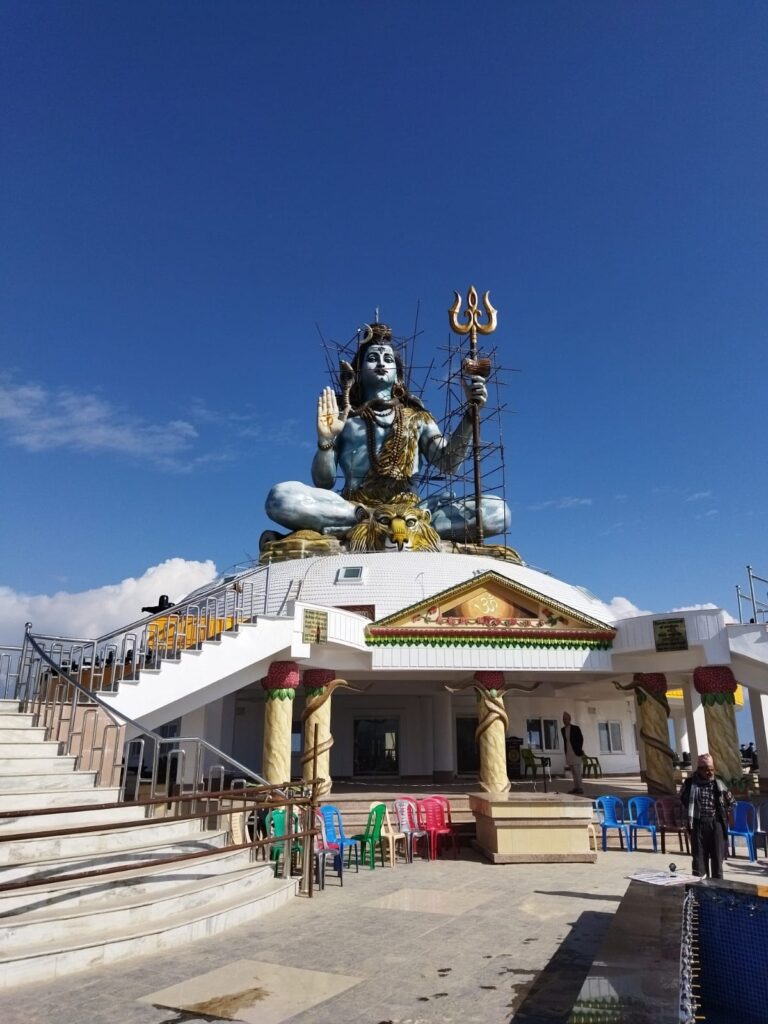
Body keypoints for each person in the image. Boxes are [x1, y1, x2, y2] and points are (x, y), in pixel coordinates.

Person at [265, 323, 511, 540]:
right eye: (372, 358)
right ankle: (371, 521)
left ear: (398, 375)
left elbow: (448, 463)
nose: (381, 363)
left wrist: (470, 416)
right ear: (359, 371)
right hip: (354, 508)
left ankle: (376, 526)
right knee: (280, 498)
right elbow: (323, 482)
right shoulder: (347, 419)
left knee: (498, 512)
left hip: (412, 510)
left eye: (388, 359)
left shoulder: (418, 418)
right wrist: (326, 442)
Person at [680, 752, 734, 879]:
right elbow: (682, 800)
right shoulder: (689, 784)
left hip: (716, 824)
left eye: (712, 769)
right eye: (707, 770)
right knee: (699, 860)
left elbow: (731, 801)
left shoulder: (718, 783)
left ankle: (718, 892)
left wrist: (726, 811)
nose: (710, 773)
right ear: (699, 770)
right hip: (697, 824)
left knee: (717, 859)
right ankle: (701, 892)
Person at [561, 711, 585, 794]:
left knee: (577, 770)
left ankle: (580, 788)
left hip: (576, 752)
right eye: (563, 719)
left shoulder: (576, 728)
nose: (564, 720)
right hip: (568, 752)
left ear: (569, 719)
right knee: (573, 771)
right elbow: (565, 741)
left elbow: (581, 739)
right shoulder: (563, 730)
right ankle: (576, 787)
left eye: (566, 719)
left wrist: (578, 748)